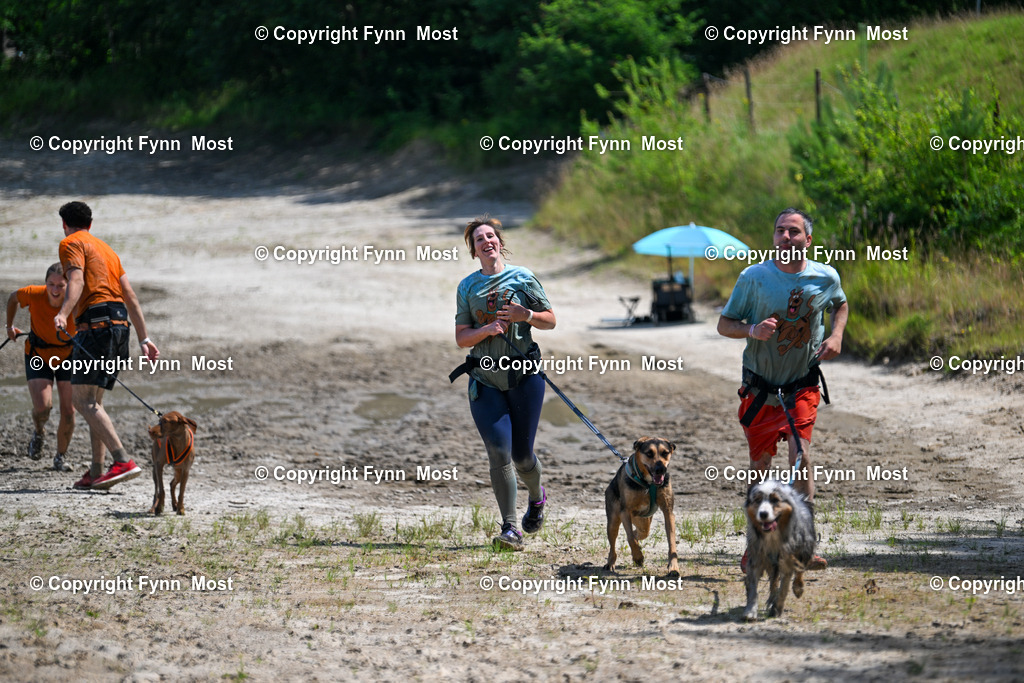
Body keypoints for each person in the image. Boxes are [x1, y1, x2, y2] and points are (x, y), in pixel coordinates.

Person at [717, 208, 848, 571]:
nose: (785, 238)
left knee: (800, 458)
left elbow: (841, 303)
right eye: (779, 231)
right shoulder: (754, 277)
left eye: (793, 232)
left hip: (801, 385)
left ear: (808, 240)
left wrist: (836, 335)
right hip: (760, 391)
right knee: (760, 468)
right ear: (773, 238)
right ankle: (756, 547)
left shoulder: (825, 276)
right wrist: (751, 330)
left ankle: (802, 546)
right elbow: (724, 324)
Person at [454, 217, 556, 550]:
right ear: (474, 251)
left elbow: (550, 321)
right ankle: (511, 528)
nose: (486, 241)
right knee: (499, 452)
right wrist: (485, 331)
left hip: (524, 378)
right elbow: (461, 338)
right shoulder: (467, 288)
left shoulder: (523, 277)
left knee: (523, 455)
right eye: (479, 239)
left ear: (499, 242)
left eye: (490, 236)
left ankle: (537, 496)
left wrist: (524, 316)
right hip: (484, 381)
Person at [53, 201, 160, 490]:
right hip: (120, 327)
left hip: (97, 326)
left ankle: (122, 460)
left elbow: (75, 278)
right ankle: (97, 471)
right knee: (94, 401)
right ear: (90, 224)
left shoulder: (71, 243)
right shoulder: (107, 250)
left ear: (65, 224)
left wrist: (63, 313)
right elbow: (129, 294)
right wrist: (144, 338)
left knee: (82, 400)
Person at [5, 263, 77, 471]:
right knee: (42, 407)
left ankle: (60, 457)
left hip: (69, 356)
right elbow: (12, 298)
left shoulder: (76, 299)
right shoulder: (34, 294)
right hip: (38, 354)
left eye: (61, 286)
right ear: (45, 284)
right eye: (51, 284)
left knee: (69, 410)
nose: (55, 290)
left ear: (69, 286)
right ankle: (39, 431)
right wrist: (9, 327)